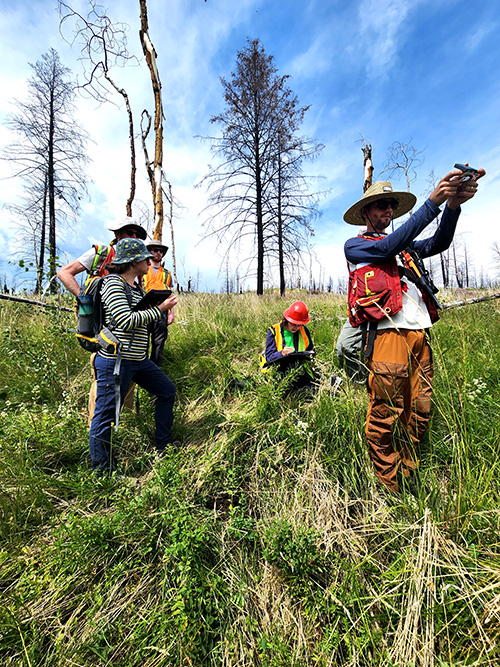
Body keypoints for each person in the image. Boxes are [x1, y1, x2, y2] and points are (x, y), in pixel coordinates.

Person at [343, 167, 484, 493]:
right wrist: (433, 201)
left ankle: (410, 472)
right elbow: (387, 247)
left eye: (391, 205)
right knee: (385, 411)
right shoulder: (357, 246)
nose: (388, 211)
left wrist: (452, 206)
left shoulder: (406, 248)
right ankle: (390, 487)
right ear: (366, 212)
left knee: (420, 410)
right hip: (387, 336)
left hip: (421, 335)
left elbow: (440, 241)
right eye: (381, 206)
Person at [88, 238, 179, 473]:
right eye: (145, 258)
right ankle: (102, 470)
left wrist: (156, 308)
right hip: (115, 360)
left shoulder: (136, 288)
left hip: (138, 360)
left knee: (167, 391)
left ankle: (163, 445)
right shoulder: (113, 284)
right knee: (106, 413)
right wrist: (158, 310)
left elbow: (139, 318)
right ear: (132, 262)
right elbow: (125, 321)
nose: (149, 261)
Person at [57, 216, 147, 421]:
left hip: (123, 320)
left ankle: (123, 420)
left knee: (130, 365)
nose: (133, 237)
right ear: (117, 234)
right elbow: (64, 273)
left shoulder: (135, 259)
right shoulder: (101, 253)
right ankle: (96, 423)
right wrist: (86, 301)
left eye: (137, 235)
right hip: (100, 321)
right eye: (129, 232)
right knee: (104, 370)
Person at [261, 300, 316, 390]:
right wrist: (281, 353)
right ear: (287, 319)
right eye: (293, 324)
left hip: (300, 369)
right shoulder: (274, 331)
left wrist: (311, 354)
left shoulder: (304, 331)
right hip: (279, 370)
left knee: (309, 390)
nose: (296, 327)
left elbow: (311, 351)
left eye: (299, 325)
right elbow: (269, 358)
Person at [144, 240, 175, 367]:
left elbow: (170, 294)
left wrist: (171, 313)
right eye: (155, 250)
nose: (158, 253)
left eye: (161, 251)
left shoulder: (167, 273)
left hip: (162, 311)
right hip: (144, 309)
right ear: (149, 252)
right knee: (142, 341)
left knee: (159, 342)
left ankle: (155, 370)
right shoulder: (142, 270)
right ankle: (141, 370)